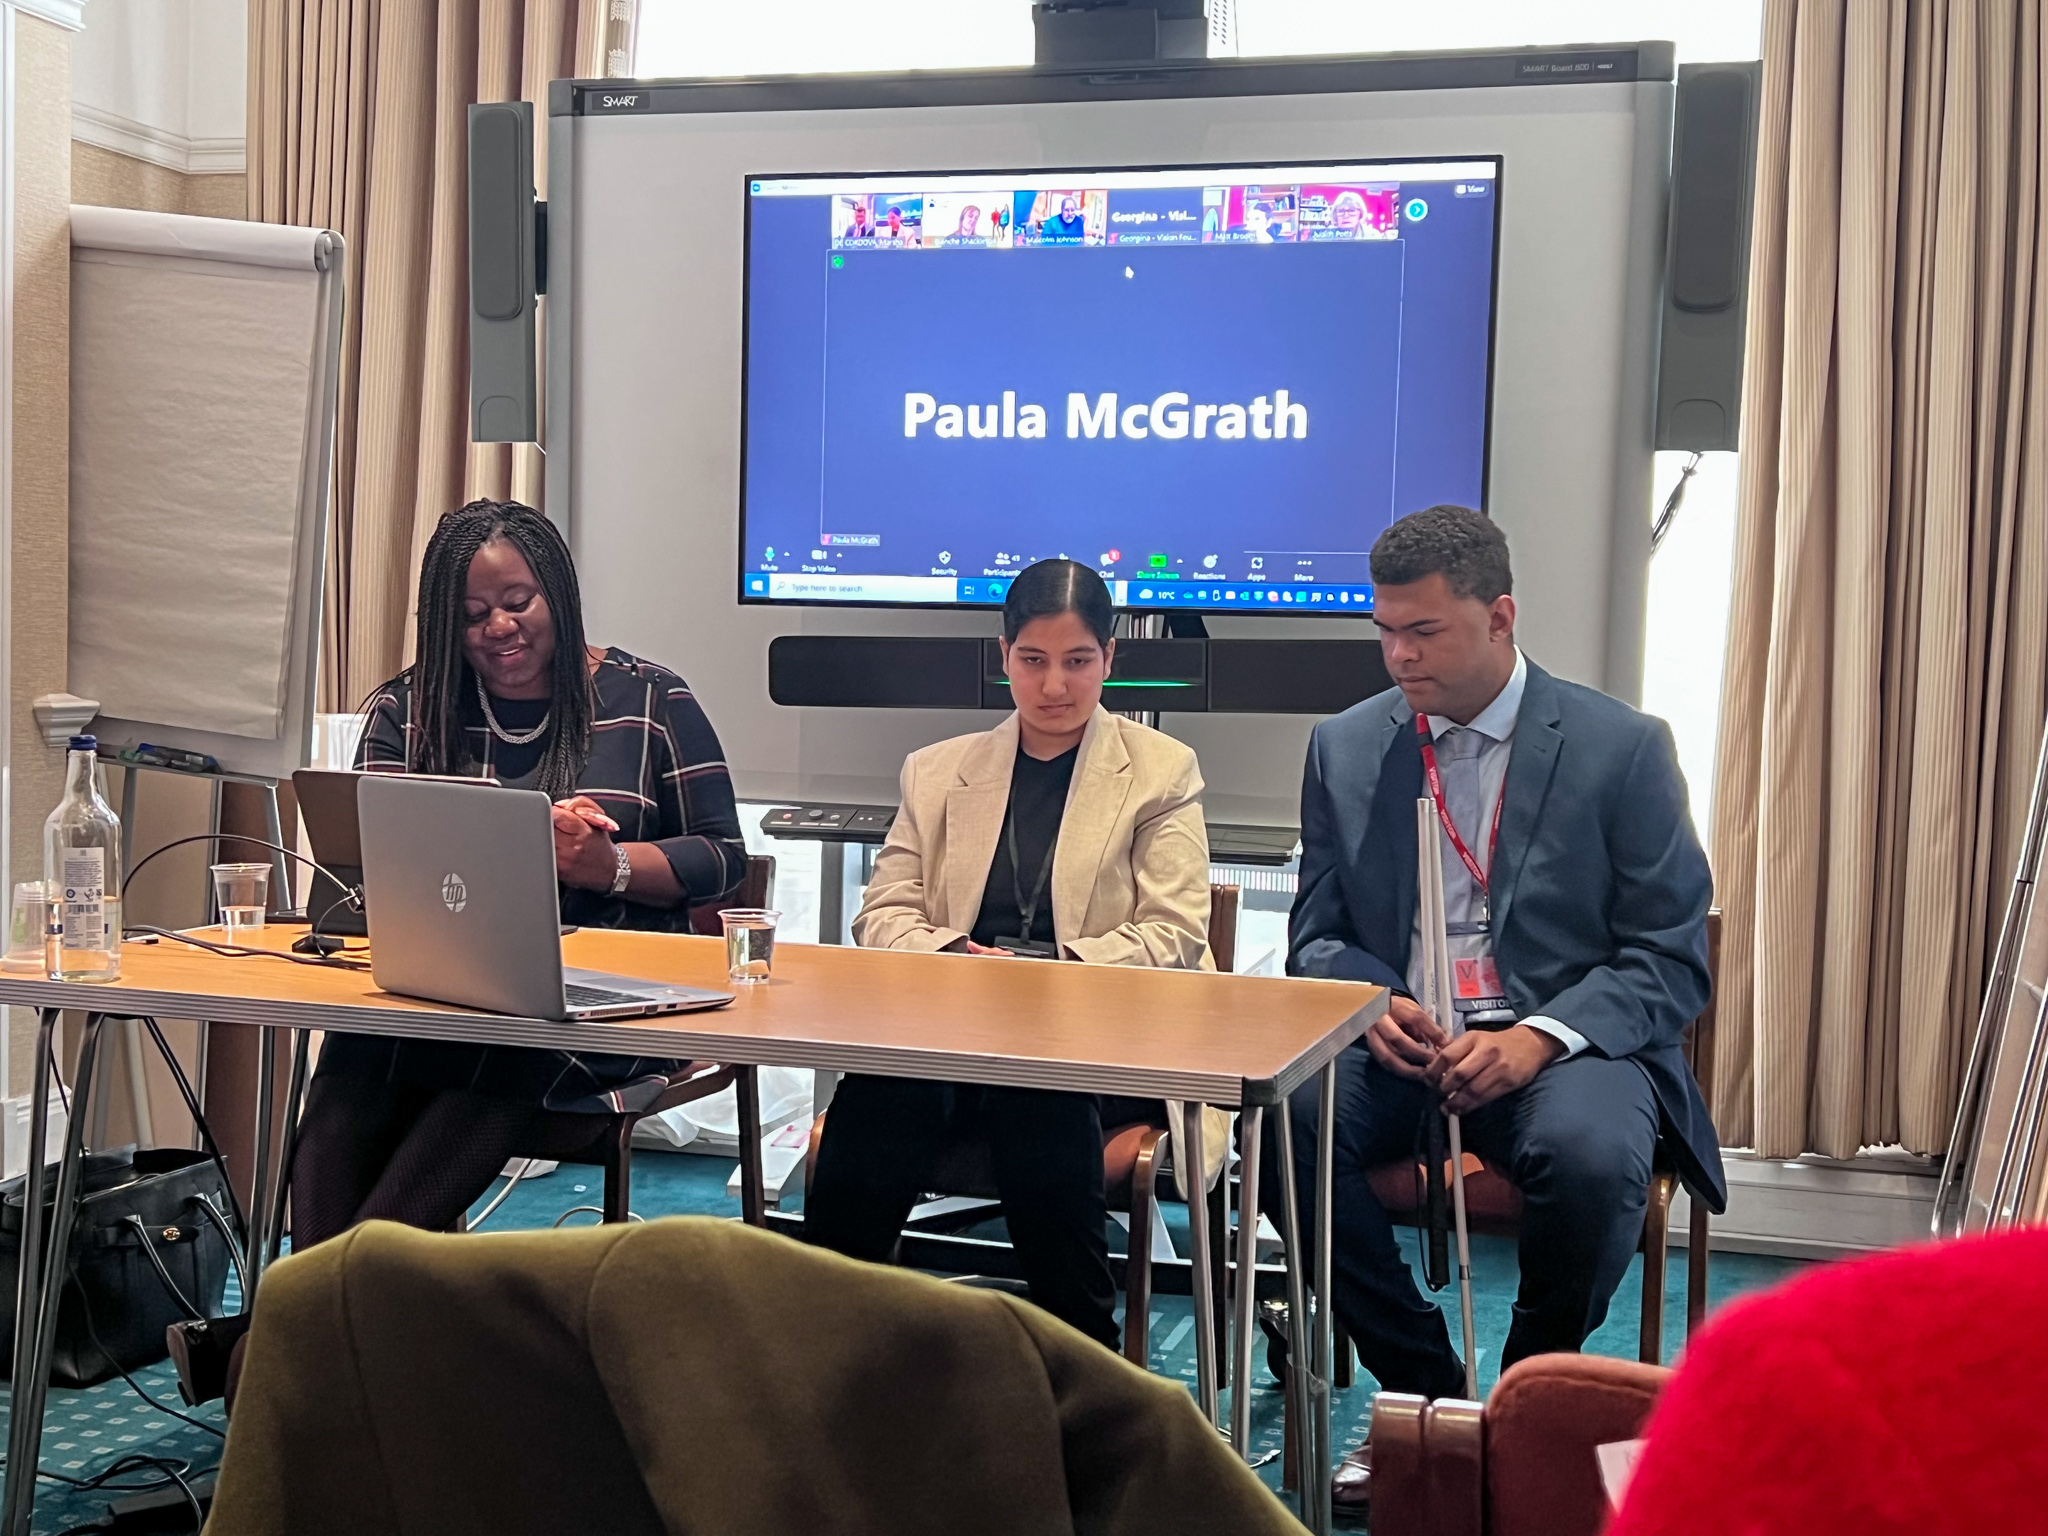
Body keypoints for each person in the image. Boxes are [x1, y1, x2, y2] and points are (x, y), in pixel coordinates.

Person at [170, 497, 749, 1406]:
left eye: (517, 600)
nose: (499, 628)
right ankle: (329, 1345)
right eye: (473, 615)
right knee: (354, 1068)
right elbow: (371, 864)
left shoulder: (650, 700)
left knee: (505, 1053)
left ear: (557, 590)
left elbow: (721, 852)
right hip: (437, 991)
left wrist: (613, 865)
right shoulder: (408, 708)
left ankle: (292, 1347)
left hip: (610, 999)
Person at [1277, 504, 1723, 1509]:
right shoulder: (1345, 748)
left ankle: (1518, 1409)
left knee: (1590, 1156)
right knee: (1287, 1123)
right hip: (1404, 1043)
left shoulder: (1622, 748)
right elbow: (1313, 934)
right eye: (1384, 631)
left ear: (1500, 616)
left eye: (1422, 632)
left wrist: (1538, 1035)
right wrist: (1369, 997)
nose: (1397, 656)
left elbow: (1667, 959)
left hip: (1562, 1045)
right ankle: (1424, 1398)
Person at [803, 559, 1217, 1350]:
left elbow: (1173, 934)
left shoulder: (1161, 773)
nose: (1055, 685)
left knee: (1040, 1094)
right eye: (1034, 660)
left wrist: (1047, 977)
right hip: (953, 1033)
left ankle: (1081, 1366)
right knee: (881, 1089)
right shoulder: (937, 771)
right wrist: (958, 953)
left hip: (1092, 1047)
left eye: (1077, 661)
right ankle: (831, 1344)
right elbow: (882, 912)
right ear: (1004, 657)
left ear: (1110, 660)